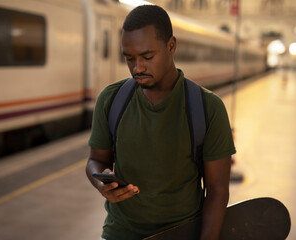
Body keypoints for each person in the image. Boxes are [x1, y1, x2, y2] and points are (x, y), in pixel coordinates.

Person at [86, 4, 236, 240]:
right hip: (120, 233)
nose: (137, 68)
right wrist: (101, 183)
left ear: (171, 46)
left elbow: (217, 190)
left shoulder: (208, 108)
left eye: (147, 57)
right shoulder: (111, 100)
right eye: (129, 58)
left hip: (182, 233)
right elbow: (96, 159)